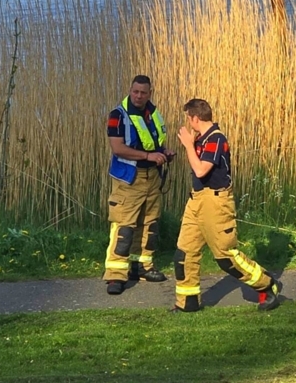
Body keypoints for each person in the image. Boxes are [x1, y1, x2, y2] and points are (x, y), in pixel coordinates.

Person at [171, 98, 281, 312]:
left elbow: (201, 170)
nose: (188, 123)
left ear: (195, 118)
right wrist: (192, 145)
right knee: (184, 253)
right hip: (197, 200)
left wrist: (187, 146)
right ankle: (188, 303)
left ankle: (267, 285)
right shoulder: (202, 139)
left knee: (225, 257)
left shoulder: (216, 138)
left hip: (215, 203)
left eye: (188, 118)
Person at [103, 75, 174, 295]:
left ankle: (142, 266)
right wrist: (148, 156)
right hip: (128, 179)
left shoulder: (152, 113)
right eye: (135, 91)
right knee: (124, 226)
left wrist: (163, 153)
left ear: (149, 93)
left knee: (149, 224)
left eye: (143, 92)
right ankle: (115, 275)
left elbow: (154, 142)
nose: (139, 96)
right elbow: (118, 148)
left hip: (152, 177)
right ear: (130, 90)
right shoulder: (117, 115)